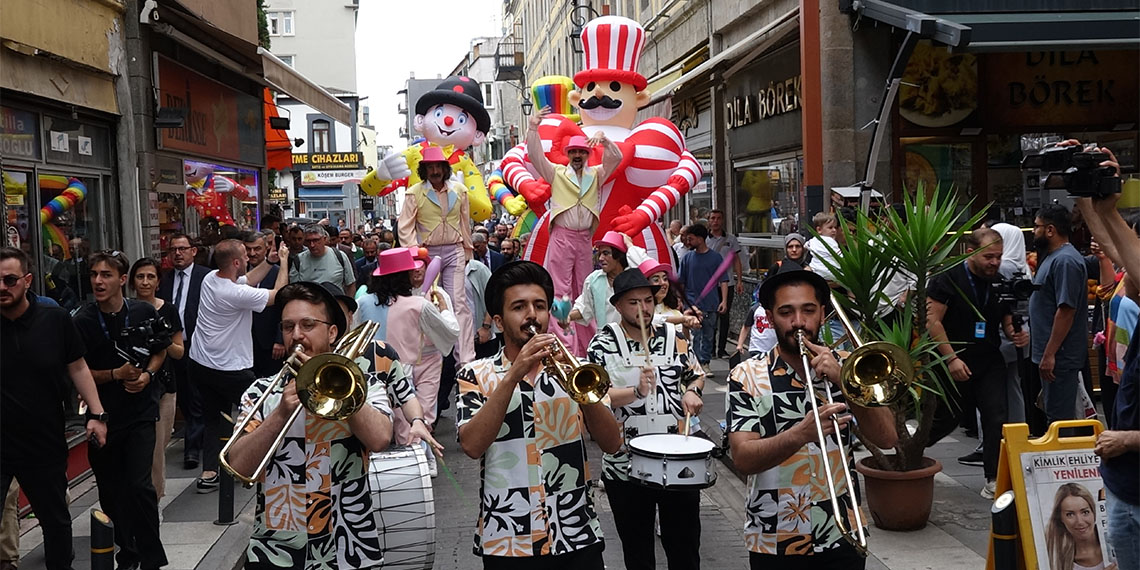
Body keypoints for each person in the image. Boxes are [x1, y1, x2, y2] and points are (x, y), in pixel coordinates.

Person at [726, 266, 897, 569]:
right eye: (786, 312)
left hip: (841, 530)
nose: (798, 322)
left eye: (808, 310)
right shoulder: (746, 375)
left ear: (822, 313)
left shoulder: (847, 366)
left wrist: (845, 381)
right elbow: (743, 458)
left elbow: (886, 438)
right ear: (769, 315)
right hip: (775, 535)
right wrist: (800, 434)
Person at [456, 261, 622, 568]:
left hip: (575, 532)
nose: (532, 315)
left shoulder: (576, 368)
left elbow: (612, 443)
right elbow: (472, 445)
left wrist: (582, 392)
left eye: (540, 306)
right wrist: (513, 376)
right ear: (499, 321)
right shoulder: (474, 374)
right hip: (507, 536)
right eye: (519, 307)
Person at [227, 282, 393, 570]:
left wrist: (342, 393)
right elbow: (239, 466)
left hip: (348, 544)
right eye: (288, 326)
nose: (297, 335)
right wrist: (279, 415)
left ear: (332, 333)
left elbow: (380, 439)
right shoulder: (260, 392)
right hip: (278, 550)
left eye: (308, 324)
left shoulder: (362, 384)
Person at [585, 269, 705, 570]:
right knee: (637, 550)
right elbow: (597, 398)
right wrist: (635, 391)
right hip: (625, 464)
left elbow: (696, 374)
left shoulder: (674, 337)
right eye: (633, 302)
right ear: (618, 305)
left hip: (677, 460)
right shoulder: (602, 344)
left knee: (685, 546)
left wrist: (692, 391)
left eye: (648, 301)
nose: (643, 309)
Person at [1, 246, 108, 570]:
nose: (2, 287)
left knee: (55, 520)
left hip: (43, 438)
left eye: (10, 280)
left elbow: (78, 368)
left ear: (28, 280)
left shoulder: (55, 319)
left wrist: (97, 414)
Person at [72, 250, 168, 570]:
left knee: (140, 485)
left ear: (122, 280)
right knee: (111, 492)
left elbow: (161, 349)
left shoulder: (142, 311)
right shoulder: (82, 320)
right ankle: (128, 550)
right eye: (94, 275)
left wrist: (147, 375)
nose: (98, 281)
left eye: (106, 275)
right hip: (103, 415)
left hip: (141, 411)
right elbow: (76, 371)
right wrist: (114, 374)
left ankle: (152, 557)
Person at [925, 228, 1029, 499]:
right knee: (947, 418)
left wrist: (1014, 333)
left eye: (998, 256)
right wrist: (951, 359)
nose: (994, 263)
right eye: (989, 257)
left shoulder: (1001, 277)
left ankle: (993, 477)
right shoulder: (948, 278)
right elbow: (932, 321)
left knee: (996, 415)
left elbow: (1005, 316)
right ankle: (911, 450)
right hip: (954, 355)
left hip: (989, 358)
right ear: (970, 252)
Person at [1073, 179, 1140, 570]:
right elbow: (1116, 251)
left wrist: (1129, 440)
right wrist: (1089, 199)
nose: (1123, 271)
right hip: (1126, 490)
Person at [189, 239, 290, 492]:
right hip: (229, 368)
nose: (249, 259)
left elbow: (248, 279)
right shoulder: (233, 293)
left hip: (201, 363)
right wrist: (284, 263)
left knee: (214, 418)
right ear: (236, 262)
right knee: (262, 409)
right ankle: (256, 461)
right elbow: (278, 296)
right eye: (245, 256)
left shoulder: (212, 279)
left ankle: (209, 471)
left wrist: (269, 262)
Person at [523, 106, 623, 346]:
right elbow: (536, 156)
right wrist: (533, 127)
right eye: (574, 152)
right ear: (568, 154)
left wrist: (605, 140)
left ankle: (589, 344)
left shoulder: (596, 174)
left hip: (583, 239)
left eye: (582, 151)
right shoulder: (557, 173)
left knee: (587, 289)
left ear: (588, 154)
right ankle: (564, 345)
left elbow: (616, 158)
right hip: (562, 236)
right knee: (560, 291)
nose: (578, 155)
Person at [354, 248, 457, 475]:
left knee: (381, 428)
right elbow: (450, 333)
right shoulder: (418, 305)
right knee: (409, 426)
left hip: (368, 376)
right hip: (402, 375)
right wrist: (446, 310)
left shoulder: (363, 302)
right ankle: (415, 470)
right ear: (404, 276)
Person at [398, 145, 476, 365]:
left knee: (459, 302)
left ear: (444, 168)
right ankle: (426, 356)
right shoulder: (414, 193)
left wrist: (468, 250)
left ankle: (465, 360)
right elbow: (405, 227)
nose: (434, 171)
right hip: (427, 253)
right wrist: (415, 255)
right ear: (424, 170)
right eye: (430, 167)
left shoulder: (459, 190)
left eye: (437, 166)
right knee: (427, 300)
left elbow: (464, 223)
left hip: (454, 250)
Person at [129, 257, 185, 502]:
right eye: (140, 276)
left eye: (150, 277)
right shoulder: (126, 309)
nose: (145, 282)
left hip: (163, 387)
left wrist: (163, 341)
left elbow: (180, 352)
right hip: (131, 385)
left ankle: (155, 501)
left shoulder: (168, 310)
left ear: (158, 281)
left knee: (156, 451)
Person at [1030, 204, 1088, 423]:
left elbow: (1066, 311)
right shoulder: (1053, 257)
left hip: (1060, 357)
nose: (1034, 231)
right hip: (1052, 354)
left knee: (1060, 419)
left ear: (1050, 230)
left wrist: (1050, 354)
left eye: (1037, 227)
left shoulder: (1065, 261)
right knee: (1053, 413)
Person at [158, 233, 210, 469]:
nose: (177, 254)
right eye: (173, 250)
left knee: (196, 395)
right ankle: (196, 435)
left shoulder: (205, 277)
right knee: (184, 399)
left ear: (193, 251)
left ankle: (192, 449)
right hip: (172, 347)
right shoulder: (165, 280)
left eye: (182, 249)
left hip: (197, 345)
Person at [563, 231, 636, 354]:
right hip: (605, 345)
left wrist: (630, 246)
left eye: (606, 253)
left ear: (619, 256)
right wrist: (568, 316)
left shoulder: (634, 277)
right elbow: (585, 309)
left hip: (633, 343)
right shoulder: (593, 280)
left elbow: (646, 264)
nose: (601, 258)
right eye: (600, 253)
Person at [679, 223, 727, 369]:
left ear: (700, 239)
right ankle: (696, 363)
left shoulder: (716, 258)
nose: (688, 242)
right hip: (691, 304)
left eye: (691, 239)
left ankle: (705, 362)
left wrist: (724, 300)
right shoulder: (687, 258)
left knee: (708, 334)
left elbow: (723, 280)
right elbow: (681, 282)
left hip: (711, 303)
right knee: (695, 335)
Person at [243, 231, 286, 379]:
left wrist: (280, 339)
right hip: (243, 342)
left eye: (257, 249)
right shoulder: (238, 274)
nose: (252, 253)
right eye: (248, 249)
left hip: (268, 341)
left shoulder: (279, 273)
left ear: (266, 248)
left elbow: (283, 306)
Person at [1045, 483, 1114, 570]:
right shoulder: (1057, 560)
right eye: (1070, 514)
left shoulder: (1118, 544)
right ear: (1061, 518)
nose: (1080, 521)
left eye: (1085, 512)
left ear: (1094, 513)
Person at [707, 209, 745, 358]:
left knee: (724, 317)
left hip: (727, 283)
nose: (715, 221)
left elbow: (736, 260)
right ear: (709, 221)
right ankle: (710, 349)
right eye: (713, 218)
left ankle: (721, 349)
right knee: (710, 318)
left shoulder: (730, 239)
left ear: (722, 220)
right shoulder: (704, 239)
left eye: (718, 218)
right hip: (709, 286)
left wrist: (739, 280)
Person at [291, 224, 356, 296]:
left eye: (316, 240)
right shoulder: (299, 260)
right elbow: (294, 289)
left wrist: (347, 305)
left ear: (324, 239)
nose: (312, 245)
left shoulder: (340, 256)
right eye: (308, 241)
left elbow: (350, 284)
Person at [806, 212, 841, 282]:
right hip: (830, 273)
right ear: (819, 230)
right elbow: (839, 256)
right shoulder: (830, 241)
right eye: (830, 227)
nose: (834, 230)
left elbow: (806, 245)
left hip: (815, 270)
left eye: (835, 227)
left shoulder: (813, 240)